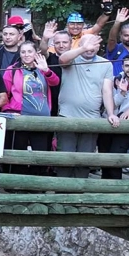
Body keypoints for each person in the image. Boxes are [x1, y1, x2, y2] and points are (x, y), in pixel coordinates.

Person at [54, 32, 113, 179]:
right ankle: (61, 192)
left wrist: (111, 113)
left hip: (92, 118)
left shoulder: (105, 64)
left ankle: (79, 192)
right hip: (67, 116)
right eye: (87, 44)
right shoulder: (72, 59)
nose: (90, 48)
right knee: (65, 156)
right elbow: (62, 59)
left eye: (94, 45)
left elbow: (107, 91)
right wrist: (83, 48)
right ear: (79, 45)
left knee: (85, 157)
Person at [2, 41, 59, 172]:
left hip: (42, 118)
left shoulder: (43, 68)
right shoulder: (12, 70)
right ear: (19, 54)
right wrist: (9, 111)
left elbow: (55, 82)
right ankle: (15, 183)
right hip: (20, 117)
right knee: (18, 151)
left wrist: (46, 70)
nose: (26, 55)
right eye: (23, 52)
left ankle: (36, 184)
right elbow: (4, 94)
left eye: (30, 51)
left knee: (40, 153)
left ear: (35, 53)